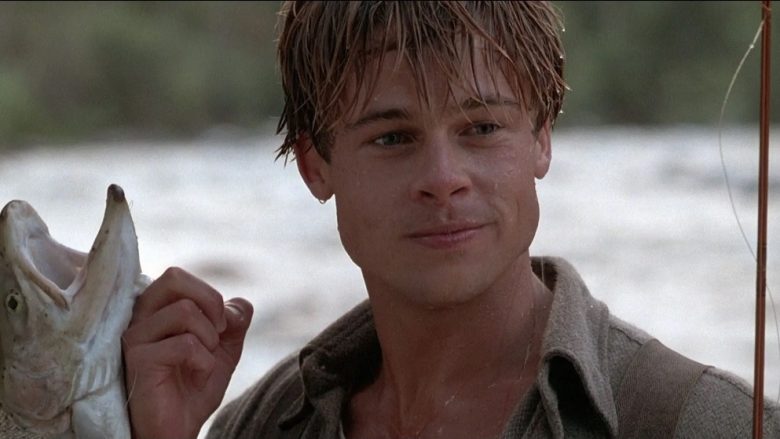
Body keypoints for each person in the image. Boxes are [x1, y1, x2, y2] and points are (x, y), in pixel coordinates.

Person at [122, 2, 780, 438]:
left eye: (482, 128)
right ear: (315, 165)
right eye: (392, 138)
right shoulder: (259, 427)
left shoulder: (710, 423)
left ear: (541, 139)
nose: (443, 177)